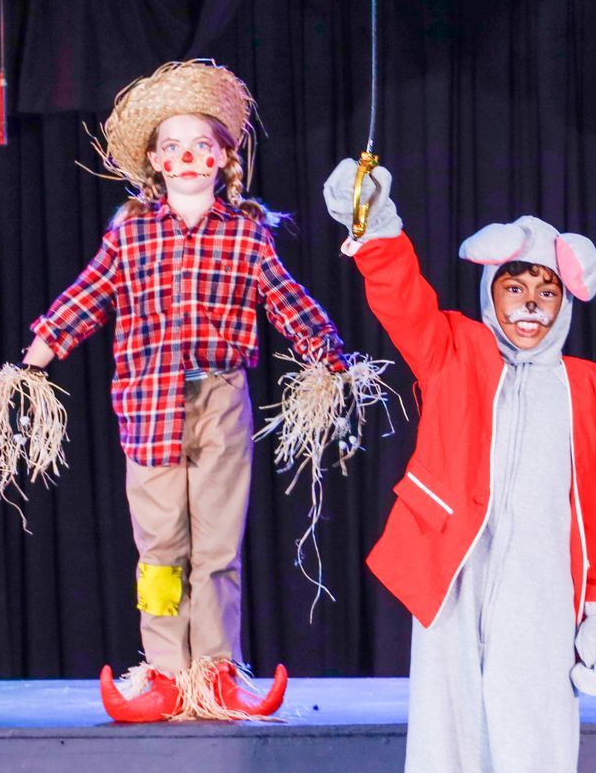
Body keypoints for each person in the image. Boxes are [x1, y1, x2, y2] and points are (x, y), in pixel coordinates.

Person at [322, 158, 596, 773]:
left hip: (543, 584)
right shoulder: (455, 349)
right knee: (449, 750)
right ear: (492, 296)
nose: (529, 306)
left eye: (545, 293)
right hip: (453, 572)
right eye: (514, 290)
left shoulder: (594, 390)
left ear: (564, 305)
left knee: (539, 754)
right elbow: (401, 298)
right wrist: (375, 226)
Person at [18, 60, 349, 721]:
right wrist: (39, 354)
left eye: (202, 144)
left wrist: (329, 356)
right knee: (161, 548)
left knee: (218, 546)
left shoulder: (246, 230)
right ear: (154, 160)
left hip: (221, 398)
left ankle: (217, 672)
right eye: (173, 146)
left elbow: (284, 297)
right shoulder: (131, 231)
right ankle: (167, 672)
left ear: (223, 156)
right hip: (148, 404)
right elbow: (91, 293)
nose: (188, 157)